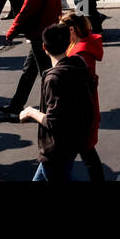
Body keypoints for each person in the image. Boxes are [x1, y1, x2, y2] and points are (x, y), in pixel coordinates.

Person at [21, 24, 96, 182]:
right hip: (73, 143)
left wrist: (30, 112)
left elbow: (54, 122)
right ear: (69, 44)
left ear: (44, 47)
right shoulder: (78, 66)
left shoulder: (54, 78)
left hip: (56, 149)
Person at [0, 0, 63, 121]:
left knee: (45, 74)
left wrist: (11, 32)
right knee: (29, 71)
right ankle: (16, 106)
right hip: (47, 31)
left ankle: (50, 109)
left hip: (40, 34)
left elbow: (26, 12)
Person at [60, 10, 105, 181]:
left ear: (72, 30)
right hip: (83, 108)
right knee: (86, 153)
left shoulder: (82, 54)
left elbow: (78, 83)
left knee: (84, 154)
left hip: (80, 110)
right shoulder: (79, 46)